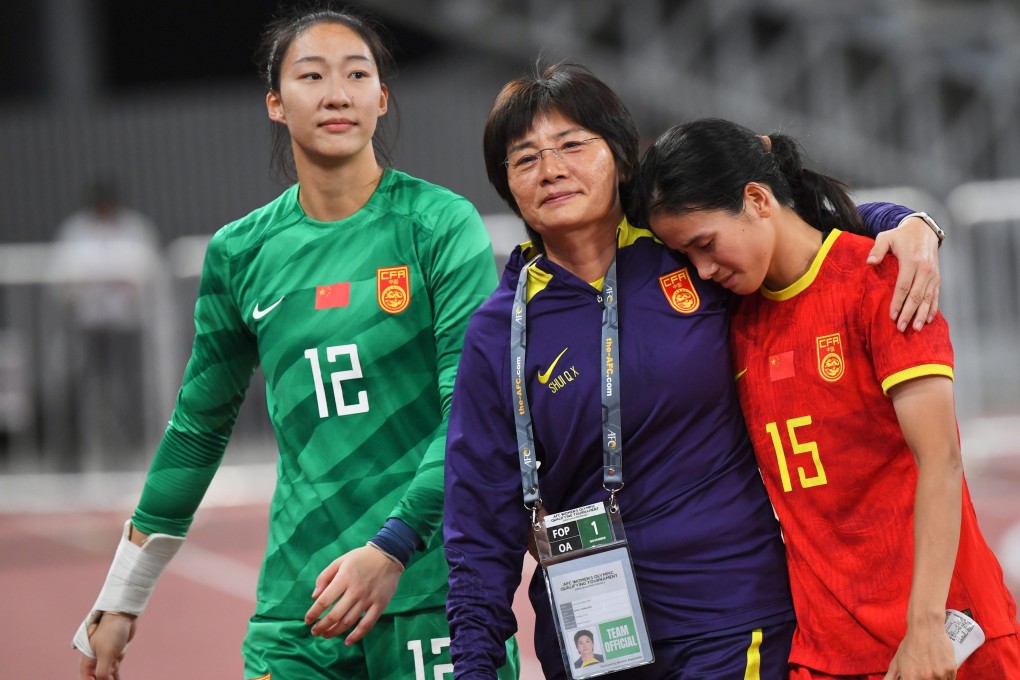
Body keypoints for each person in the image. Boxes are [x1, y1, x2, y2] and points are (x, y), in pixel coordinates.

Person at [443, 62, 944, 680]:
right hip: (591, 637)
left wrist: (904, 223)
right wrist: (471, 667)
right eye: (525, 160)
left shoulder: (688, 254)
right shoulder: (500, 331)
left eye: (573, 145)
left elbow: (792, 231)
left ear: (622, 158)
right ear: (507, 186)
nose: (551, 170)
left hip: (733, 617)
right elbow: (476, 526)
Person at [71, 6, 518, 680]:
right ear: (276, 103)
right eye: (311, 76)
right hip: (299, 610)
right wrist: (122, 597)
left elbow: (472, 415)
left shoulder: (437, 225)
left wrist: (392, 549)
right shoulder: (241, 253)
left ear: (381, 98)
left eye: (356, 74)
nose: (336, 93)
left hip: (431, 592)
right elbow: (197, 429)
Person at [636, 117, 1020, 680]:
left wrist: (924, 627)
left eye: (705, 244)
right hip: (825, 652)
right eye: (686, 256)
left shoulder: (882, 278)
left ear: (757, 199)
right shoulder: (730, 318)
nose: (703, 269)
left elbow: (941, 459)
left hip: (944, 636)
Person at [50, 176, 162, 467]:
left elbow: (146, 274)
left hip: (124, 326)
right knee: (76, 391)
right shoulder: (75, 231)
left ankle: (130, 456)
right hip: (86, 327)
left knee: (130, 391)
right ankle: (70, 461)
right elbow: (62, 278)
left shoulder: (134, 231)